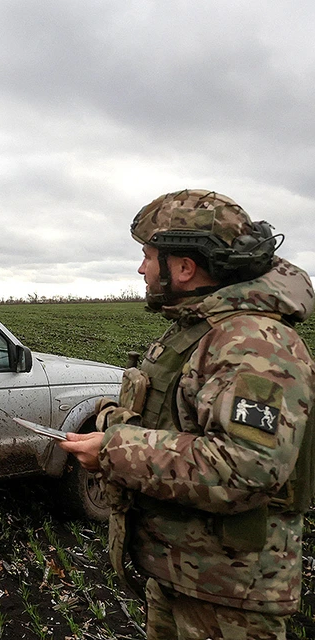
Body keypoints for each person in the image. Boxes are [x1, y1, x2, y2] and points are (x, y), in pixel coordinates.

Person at [59, 189, 315, 639]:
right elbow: (177, 422)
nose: (141, 269)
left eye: (148, 256)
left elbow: (245, 469)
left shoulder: (253, 343)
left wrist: (115, 450)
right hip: (186, 575)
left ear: (183, 267)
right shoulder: (202, 329)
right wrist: (114, 419)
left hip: (231, 596)